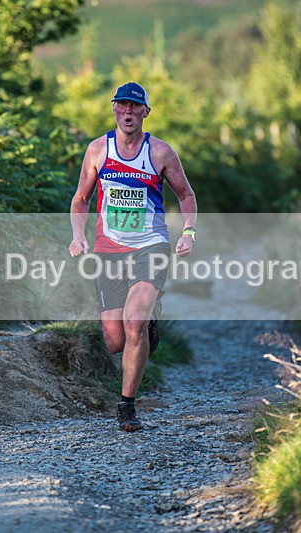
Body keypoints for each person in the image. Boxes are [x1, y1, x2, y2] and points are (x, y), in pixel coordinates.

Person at [69, 81, 198, 432]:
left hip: (150, 247)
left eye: (134, 106)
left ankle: (127, 407)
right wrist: (78, 235)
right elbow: (81, 199)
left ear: (145, 112)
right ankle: (148, 323)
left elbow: (186, 195)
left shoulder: (160, 153)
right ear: (114, 109)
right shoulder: (98, 150)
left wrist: (188, 232)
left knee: (134, 323)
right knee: (115, 340)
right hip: (109, 249)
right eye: (122, 105)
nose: (128, 112)